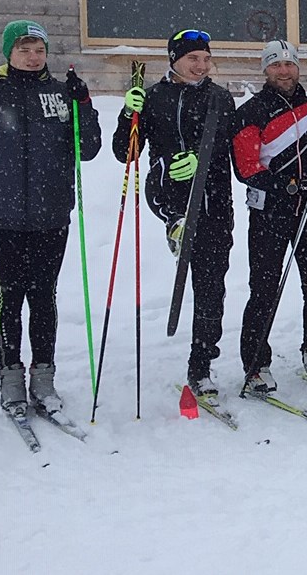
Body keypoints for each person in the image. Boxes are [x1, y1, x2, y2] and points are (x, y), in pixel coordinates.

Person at [0, 21, 100, 415]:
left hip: (51, 213)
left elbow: (88, 149)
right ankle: (10, 375)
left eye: (39, 50)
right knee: (9, 296)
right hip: (1, 215)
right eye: (24, 50)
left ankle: (43, 376)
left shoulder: (59, 92)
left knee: (43, 296)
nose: (33, 57)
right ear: (8, 53)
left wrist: (83, 104)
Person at [112, 28, 236, 397]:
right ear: (174, 60)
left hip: (214, 204)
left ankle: (201, 366)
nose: (200, 65)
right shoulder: (154, 98)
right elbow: (126, 153)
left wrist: (203, 156)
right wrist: (127, 114)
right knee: (170, 187)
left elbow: (229, 143)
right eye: (192, 59)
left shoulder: (220, 98)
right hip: (169, 194)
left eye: (204, 58)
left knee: (211, 288)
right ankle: (176, 225)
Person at [231, 41, 307, 393]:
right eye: (276, 65)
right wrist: (289, 186)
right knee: (264, 288)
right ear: (265, 70)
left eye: (289, 64)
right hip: (270, 213)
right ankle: (256, 363)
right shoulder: (252, 110)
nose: (284, 70)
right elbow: (247, 166)